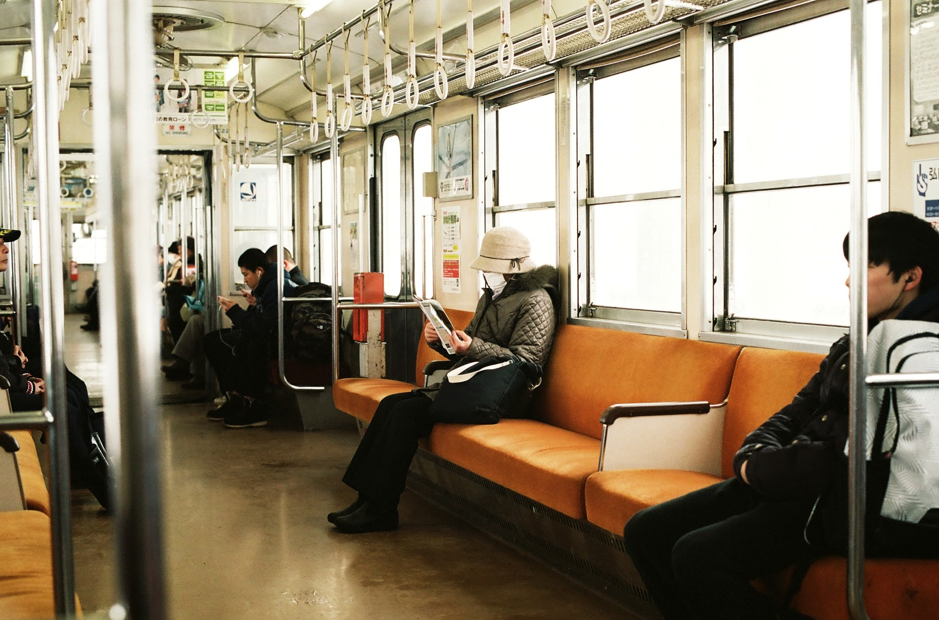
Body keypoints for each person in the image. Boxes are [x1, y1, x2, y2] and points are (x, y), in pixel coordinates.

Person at [622, 212, 939, 620]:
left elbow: (846, 452)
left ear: (910, 278)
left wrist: (760, 468)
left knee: (697, 556)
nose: (849, 281)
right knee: (646, 531)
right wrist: (754, 452)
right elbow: (799, 409)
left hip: (847, 501)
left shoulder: (920, 355)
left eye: (865, 266)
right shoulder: (858, 338)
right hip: (795, 480)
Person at [328, 226, 560, 534]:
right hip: (476, 385)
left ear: (512, 270)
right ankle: (366, 498)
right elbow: (470, 345)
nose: (486, 274)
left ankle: (381, 510)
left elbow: (527, 360)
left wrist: (471, 347)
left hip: (503, 395)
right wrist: (442, 341)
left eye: (492, 268)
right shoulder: (492, 296)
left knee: (404, 414)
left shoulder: (537, 301)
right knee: (391, 405)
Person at [0, 227, 110, 510]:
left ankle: (83, 455)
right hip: (3, 390)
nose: (5, 249)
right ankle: (99, 483)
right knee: (61, 402)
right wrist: (25, 384)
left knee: (66, 383)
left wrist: (10, 350)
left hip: (6, 379)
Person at [203, 248, 292, 428]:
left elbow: (262, 327)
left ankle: (246, 401)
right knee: (213, 339)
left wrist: (235, 311)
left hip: (272, 341)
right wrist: (256, 303)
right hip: (265, 336)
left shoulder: (275, 287)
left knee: (224, 344)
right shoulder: (269, 285)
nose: (244, 279)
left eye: (246, 274)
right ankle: (234, 397)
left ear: (259, 271)